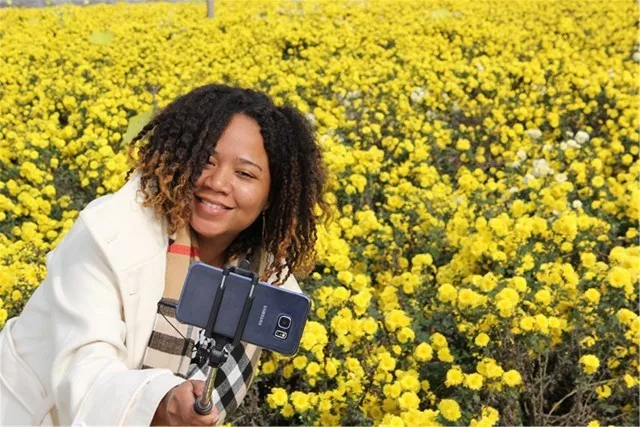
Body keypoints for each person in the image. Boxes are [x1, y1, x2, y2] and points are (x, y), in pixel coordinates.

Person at [0, 84, 326, 425]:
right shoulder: (108, 234)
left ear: (271, 196)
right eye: (205, 160)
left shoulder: (259, 272)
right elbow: (81, 373)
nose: (217, 182)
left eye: (244, 174)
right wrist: (160, 401)